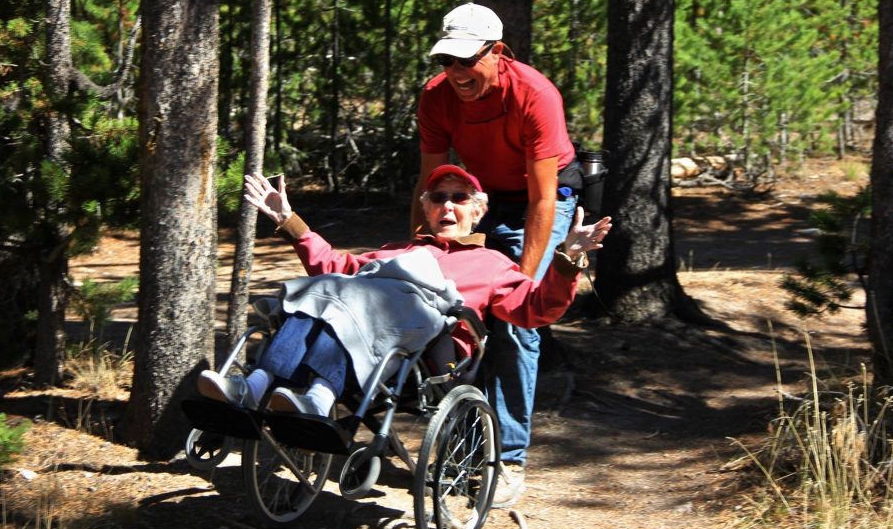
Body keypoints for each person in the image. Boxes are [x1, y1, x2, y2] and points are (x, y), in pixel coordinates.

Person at [199, 166, 611, 441]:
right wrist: (289, 219)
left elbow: (536, 309)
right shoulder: (397, 250)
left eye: (460, 197)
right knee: (326, 289)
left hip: (426, 353)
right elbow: (339, 265)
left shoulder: (494, 264)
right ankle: (252, 388)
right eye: (438, 197)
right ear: (426, 209)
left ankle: (321, 397)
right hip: (365, 319)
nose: (447, 205)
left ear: (479, 210)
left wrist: (566, 258)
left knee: (352, 297)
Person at [412, 3, 584, 506]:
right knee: (442, 308)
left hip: (540, 196)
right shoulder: (437, 96)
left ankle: (506, 461)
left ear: (497, 52)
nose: (457, 73)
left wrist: (523, 285)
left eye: (468, 61)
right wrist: (422, 250)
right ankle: (458, 439)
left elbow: (543, 197)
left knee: (514, 322)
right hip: (477, 196)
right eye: (448, 61)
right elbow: (430, 182)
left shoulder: (535, 94)